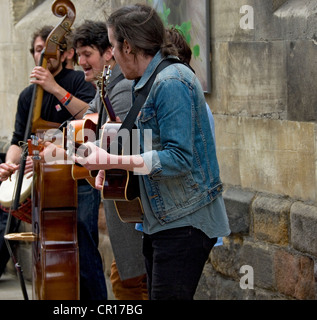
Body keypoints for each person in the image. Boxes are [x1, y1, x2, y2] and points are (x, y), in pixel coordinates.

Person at [73, 4, 230, 300]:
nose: (114, 57)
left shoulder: (171, 82)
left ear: (128, 46)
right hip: (161, 219)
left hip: (185, 222)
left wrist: (111, 159)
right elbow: (149, 148)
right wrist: (110, 168)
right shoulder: (146, 81)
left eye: (114, 47)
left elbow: (179, 158)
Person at [0, 26, 108, 300]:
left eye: (46, 50)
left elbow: (92, 120)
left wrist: (54, 88)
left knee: (83, 245)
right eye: (37, 50)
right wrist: (12, 165)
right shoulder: (27, 96)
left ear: (66, 53)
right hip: (44, 179)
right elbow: (17, 139)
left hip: (78, 176)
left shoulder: (78, 81)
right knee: (50, 246)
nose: (42, 56)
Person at [72, 20, 147, 300]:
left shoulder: (123, 89)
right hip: (123, 209)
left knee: (131, 284)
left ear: (108, 53)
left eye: (87, 53)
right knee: (124, 280)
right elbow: (81, 129)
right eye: (78, 54)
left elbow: (122, 147)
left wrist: (76, 153)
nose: (81, 61)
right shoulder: (105, 87)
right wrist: (44, 149)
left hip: (132, 207)